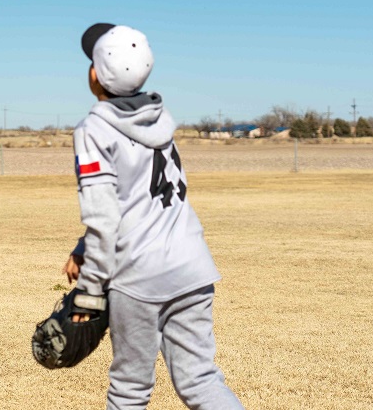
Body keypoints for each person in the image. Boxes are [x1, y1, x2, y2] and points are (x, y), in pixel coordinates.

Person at [61, 23, 243, 409]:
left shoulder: (94, 128)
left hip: (139, 276)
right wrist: (82, 249)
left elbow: (104, 217)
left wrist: (89, 295)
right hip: (192, 265)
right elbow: (141, 196)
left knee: (129, 390)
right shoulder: (158, 118)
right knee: (201, 381)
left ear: (95, 75)